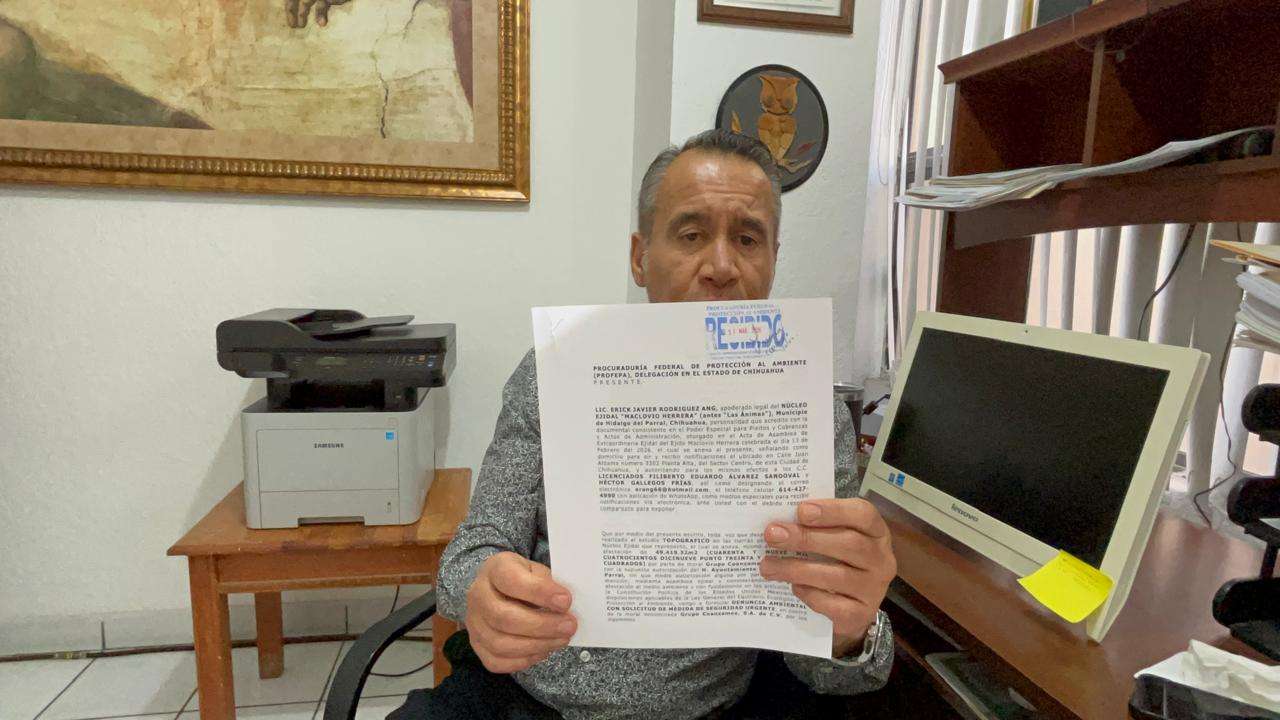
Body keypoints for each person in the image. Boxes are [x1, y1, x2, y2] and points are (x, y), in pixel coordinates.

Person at [399, 129, 898, 720]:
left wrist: (849, 630)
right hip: (532, 698)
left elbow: (827, 668)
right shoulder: (554, 372)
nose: (721, 267)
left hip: (711, 709)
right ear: (640, 258)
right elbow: (473, 549)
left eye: (747, 239)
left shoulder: (807, 411)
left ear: (772, 260)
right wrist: (483, 590)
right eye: (691, 235)